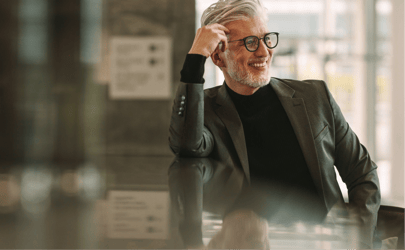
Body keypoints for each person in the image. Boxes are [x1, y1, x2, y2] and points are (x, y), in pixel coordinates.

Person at [168, 0, 380, 248]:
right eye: (249, 42)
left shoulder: (314, 96)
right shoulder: (206, 111)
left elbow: (363, 173)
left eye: (266, 39)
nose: (263, 52)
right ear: (218, 56)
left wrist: (357, 241)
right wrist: (195, 60)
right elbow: (185, 145)